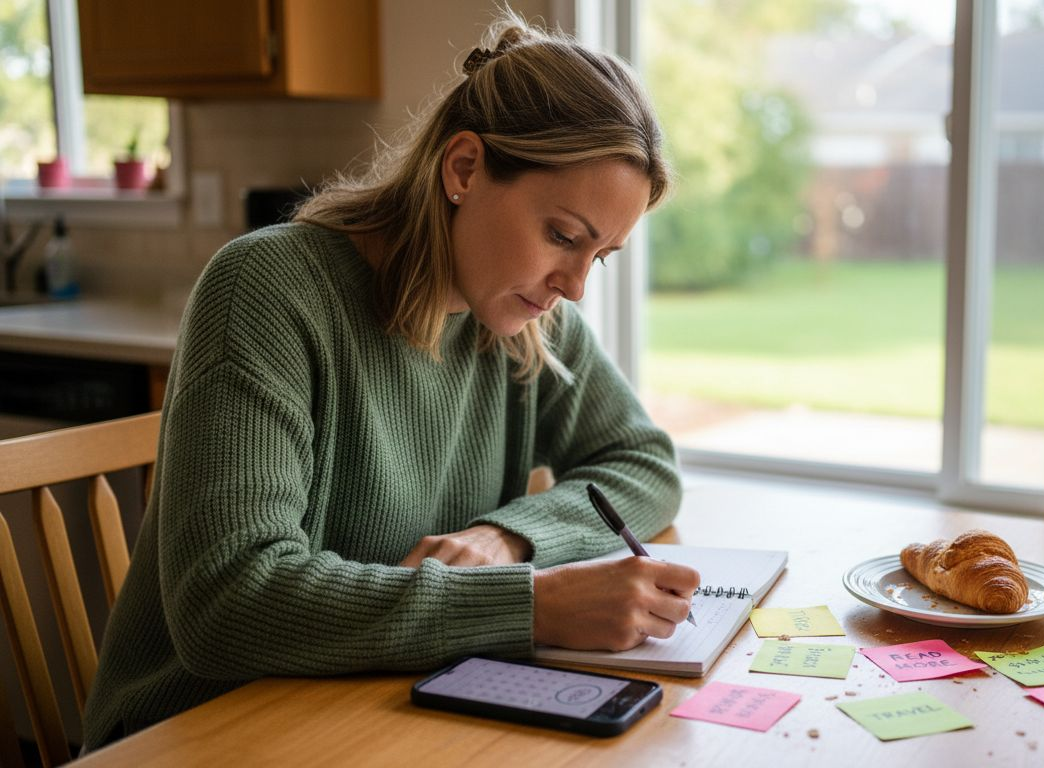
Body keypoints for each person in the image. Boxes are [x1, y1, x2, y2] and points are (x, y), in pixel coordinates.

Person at [81, 12, 697, 751]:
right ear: (464, 168)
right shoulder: (267, 290)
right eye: (562, 235)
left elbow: (644, 463)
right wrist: (530, 607)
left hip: (377, 707)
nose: (573, 286)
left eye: (598, 255)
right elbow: (228, 605)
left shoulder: (523, 317)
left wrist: (509, 538)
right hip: (201, 729)